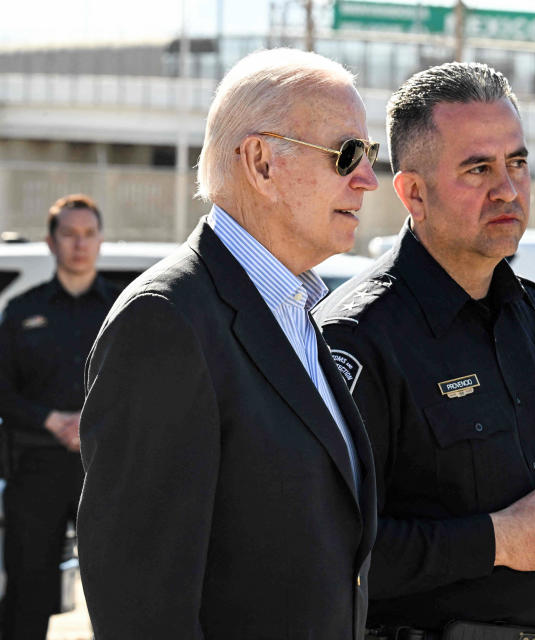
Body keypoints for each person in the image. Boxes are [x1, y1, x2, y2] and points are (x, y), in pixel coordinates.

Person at [317, 62, 535, 640]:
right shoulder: (357, 337)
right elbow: (329, 552)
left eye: (517, 164)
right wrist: (498, 541)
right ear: (413, 193)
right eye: (478, 168)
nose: (507, 189)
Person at [77, 48, 379, 639]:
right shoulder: (166, 322)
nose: (368, 179)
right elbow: (141, 609)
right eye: (347, 155)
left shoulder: (290, 307)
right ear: (261, 162)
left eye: (368, 156)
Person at [0, 194, 119, 640]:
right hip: (35, 469)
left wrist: (91, 424)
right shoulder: (22, 310)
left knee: (118, 590)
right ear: (51, 243)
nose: (79, 244)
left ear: (101, 240)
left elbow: (139, 386)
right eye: (68, 234)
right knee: (28, 592)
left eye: (88, 234)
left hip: (103, 471)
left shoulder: (123, 309)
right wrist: (51, 420)